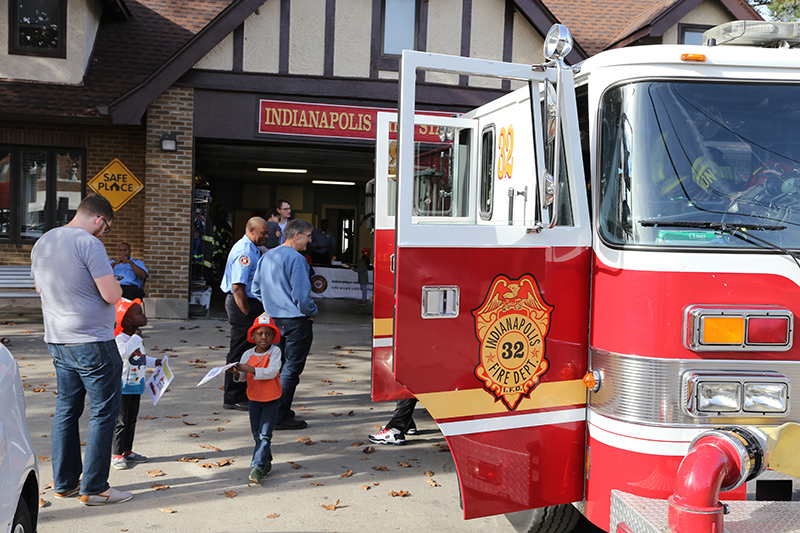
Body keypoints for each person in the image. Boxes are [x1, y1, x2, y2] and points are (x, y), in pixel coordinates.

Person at [30, 193, 132, 506]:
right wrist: (113, 281)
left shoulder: (44, 241)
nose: (104, 234)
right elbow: (113, 295)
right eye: (107, 228)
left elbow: (39, 287)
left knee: (67, 410)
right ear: (100, 219)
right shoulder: (89, 244)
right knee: (104, 412)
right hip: (92, 340)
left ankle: (64, 483)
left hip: (58, 339)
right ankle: (96, 487)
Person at [252, 219, 318, 430]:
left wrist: (271, 304)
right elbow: (301, 295)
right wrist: (312, 312)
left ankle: (271, 410)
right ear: (296, 235)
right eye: (308, 236)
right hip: (296, 321)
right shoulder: (298, 260)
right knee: (290, 369)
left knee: (276, 366)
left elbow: (255, 289)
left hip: (273, 321)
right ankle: (280, 414)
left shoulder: (267, 256)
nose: (310, 240)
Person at [220, 216, 269, 411]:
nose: (266, 236)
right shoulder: (244, 251)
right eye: (262, 233)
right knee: (238, 351)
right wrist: (248, 314)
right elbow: (238, 287)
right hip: (242, 304)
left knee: (247, 351)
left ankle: (243, 392)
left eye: (266, 232)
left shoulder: (253, 247)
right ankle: (232, 397)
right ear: (250, 231)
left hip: (248, 303)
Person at [227, 313, 283, 484]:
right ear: (252, 336)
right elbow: (243, 377)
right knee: (257, 434)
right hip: (254, 399)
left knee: (265, 435)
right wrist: (236, 373)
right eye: (260, 333)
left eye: (268, 333)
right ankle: (266, 462)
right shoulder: (247, 355)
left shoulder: (275, 352)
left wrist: (250, 369)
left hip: (272, 399)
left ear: (274, 336)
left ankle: (257, 466)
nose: (264, 337)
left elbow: (272, 371)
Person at [111, 297, 162, 470]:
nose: (144, 316)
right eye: (139, 313)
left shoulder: (135, 339)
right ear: (127, 320)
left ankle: (127, 451)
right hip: (123, 387)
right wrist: (135, 339)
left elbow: (138, 358)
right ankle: (116, 454)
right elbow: (123, 353)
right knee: (122, 421)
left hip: (136, 386)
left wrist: (155, 362)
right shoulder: (121, 338)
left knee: (132, 420)